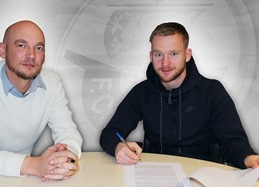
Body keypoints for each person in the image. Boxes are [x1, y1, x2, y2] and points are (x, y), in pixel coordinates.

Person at [100, 22, 259, 169]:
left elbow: (233, 141)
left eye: (174, 54)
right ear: (151, 56)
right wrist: (118, 147)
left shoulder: (212, 91)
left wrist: (248, 159)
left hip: (203, 174)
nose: (165, 63)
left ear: (187, 55)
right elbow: (110, 133)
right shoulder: (142, 92)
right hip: (155, 173)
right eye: (158, 55)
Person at [0, 20, 83, 181]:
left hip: (21, 177)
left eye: (38, 48)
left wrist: (64, 158)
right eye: (21, 46)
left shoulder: (52, 82)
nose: (31, 55)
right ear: (2, 51)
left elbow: (68, 132)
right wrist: (33, 165)